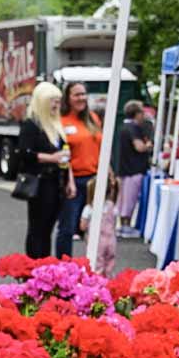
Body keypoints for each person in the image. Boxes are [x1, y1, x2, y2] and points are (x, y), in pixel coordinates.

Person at [18, 81, 69, 258]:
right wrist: (52, 158)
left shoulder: (56, 126)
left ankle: (45, 263)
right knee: (37, 227)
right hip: (40, 182)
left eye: (58, 101)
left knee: (48, 227)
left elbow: (65, 153)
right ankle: (33, 263)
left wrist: (69, 179)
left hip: (57, 181)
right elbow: (25, 153)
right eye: (53, 101)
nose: (57, 105)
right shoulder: (31, 125)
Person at [58, 82, 102, 257]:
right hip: (73, 181)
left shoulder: (93, 118)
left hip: (95, 180)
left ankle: (92, 268)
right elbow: (61, 153)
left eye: (83, 94)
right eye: (76, 94)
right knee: (68, 228)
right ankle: (63, 268)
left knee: (94, 227)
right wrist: (69, 180)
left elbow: (102, 149)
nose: (81, 98)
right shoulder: (61, 122)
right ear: (67, 98)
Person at [117, 100, 152, 238]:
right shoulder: (134, 128)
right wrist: (148, 144)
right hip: (134, 169)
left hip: (125, 168)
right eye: (142, 112)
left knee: (123, 198)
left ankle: (123, 225)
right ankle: (126, 226)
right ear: (136, 113)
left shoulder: (123, 127)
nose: (143, 115)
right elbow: (139, 147)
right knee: (130, 199)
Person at [80, 173, 119, 276]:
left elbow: (82, 226)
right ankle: (108, 279)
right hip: (111, 239)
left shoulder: (89, 208)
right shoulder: (112, 206)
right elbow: (114, 222)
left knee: (96, 263)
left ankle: (96, 281)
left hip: (95, 240)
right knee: (110, 261)